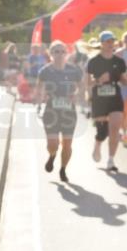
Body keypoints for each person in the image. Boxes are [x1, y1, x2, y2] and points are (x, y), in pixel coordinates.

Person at [35, 40, 83, 183]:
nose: (60, 54)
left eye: (62, 51)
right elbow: (39, 89)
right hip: (51, 111)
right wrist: (39, 103)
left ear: (66, 54)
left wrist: (77, 96)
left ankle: (63, 169)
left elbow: (82, 87)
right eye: (56, 51)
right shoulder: (45, 71)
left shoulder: (73, 70)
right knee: (53, 144)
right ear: (51, 54)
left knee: (67, 144)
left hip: (69, 112)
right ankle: (52, 155)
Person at [85, 31, 127, 172]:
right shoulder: (93, 61)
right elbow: (87, 83)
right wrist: (99, 80)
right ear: (102, 44)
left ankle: (111, 160)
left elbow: (123, 78)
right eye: (108, 41)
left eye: (112, 41)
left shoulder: (119, 62)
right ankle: (98, 143)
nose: (111, 44)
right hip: (99, 99)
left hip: (115, 97)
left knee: (115, 129)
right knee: (103, 131)